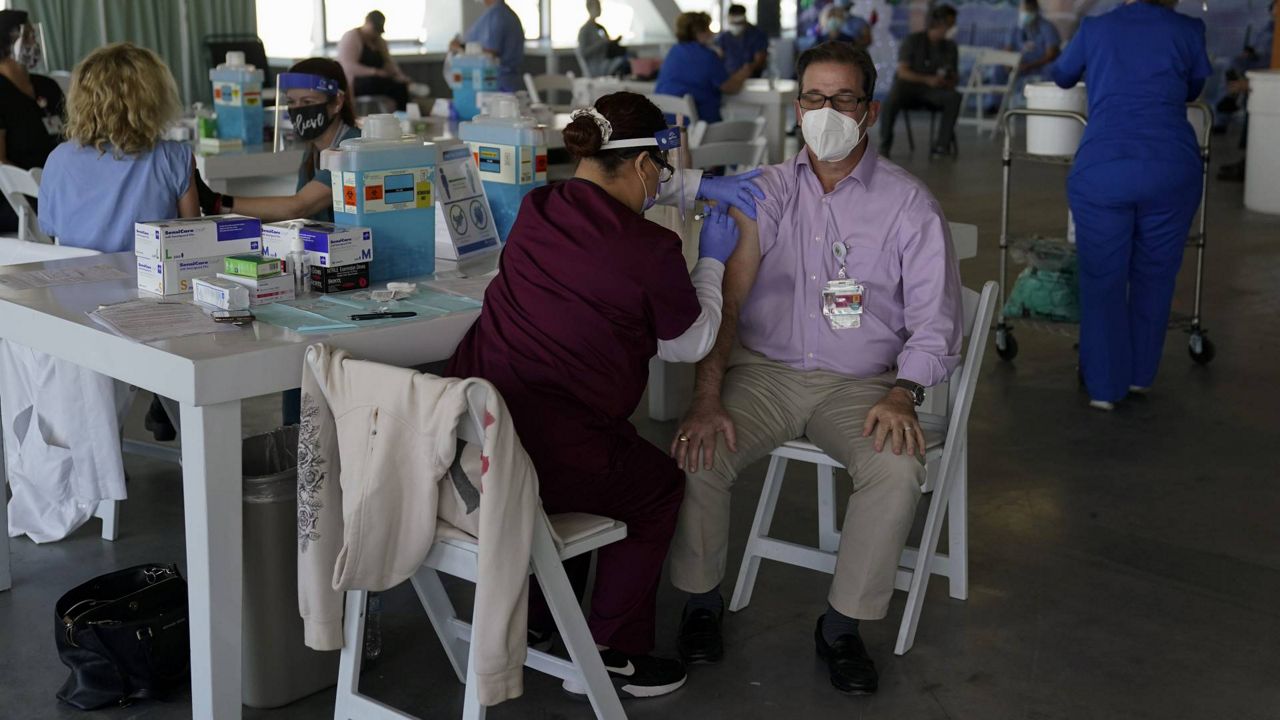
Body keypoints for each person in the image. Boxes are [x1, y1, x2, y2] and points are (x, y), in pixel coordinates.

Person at [669, 41, 962, 696]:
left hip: (861, 385)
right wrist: (707, 396)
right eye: (812, 98)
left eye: (842, 99)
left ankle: (843, 625)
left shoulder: (908, 206)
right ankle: (700, 602)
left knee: (894, 464)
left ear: (870, 110)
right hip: (765, 374)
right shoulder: (763, 191)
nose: (824, 111)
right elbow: (730, 303)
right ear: (795, 104)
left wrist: (904, 393)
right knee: (698, 446)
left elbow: (938, 321)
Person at [447, 91, 758, 699]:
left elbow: (617, 185)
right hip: (553, 451)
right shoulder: (651, 249)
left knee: (583, 466)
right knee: (656, 486)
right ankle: (614, 648)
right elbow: (687, 341)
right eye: (661, 169)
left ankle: (537, 623)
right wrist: (713, 265)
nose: (662, 180)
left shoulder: (539, 208)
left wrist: (699, 187)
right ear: (646, 165)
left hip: (476, 438)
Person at [1051, 0, 1211, 410]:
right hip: (1172, 167)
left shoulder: (1096, 29)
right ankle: (1141, 376)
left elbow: (1063, 76)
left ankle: (1105, 388)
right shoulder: (1188, 29)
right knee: (1155, 275)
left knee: (1102, 279)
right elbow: (1194, 87)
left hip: (1105, 168)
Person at [38, 43, 198, 251]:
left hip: (79, 279)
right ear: (154, 98)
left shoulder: (58, 159)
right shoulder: (174, 157)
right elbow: (193, 238)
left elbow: (52, 230)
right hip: (150, 281)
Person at [203, 58, 361, 225]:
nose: (299, 109)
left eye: (308, 102)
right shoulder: (313, 151)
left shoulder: (350, 151)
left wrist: (219, 203)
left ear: (337, 102)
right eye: (291, 102)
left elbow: (298, 207)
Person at [0, 9, 64, 234]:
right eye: (28, 36)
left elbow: (74, 135)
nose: (34, 42)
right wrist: (39, 185)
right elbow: (1, 161)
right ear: (8, 42)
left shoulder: (48, 87)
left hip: (61, 184)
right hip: (17, 194)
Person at [877, 5, 961, 158]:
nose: (952, 27)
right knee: (892, 99)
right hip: (909, 87)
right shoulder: (913, 41)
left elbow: (954, 75)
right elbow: (903, 72)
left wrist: (948, 81)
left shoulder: (950, 47)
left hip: (934, 91)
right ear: (938, 23)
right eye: (949, 23)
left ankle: (941, 145)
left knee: (954, 97)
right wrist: (928, 79)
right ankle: (885, 145)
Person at [656, 12, 757, 124]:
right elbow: (731, 88)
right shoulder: (707, 56)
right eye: (708, 28)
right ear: (699, 32)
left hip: (668, 129)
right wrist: (744, 73)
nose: (711, 33)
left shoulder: (674, 51)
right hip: (700, 128)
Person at [337, 10, 411, 110]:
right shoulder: (352, 37)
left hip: (379, 81)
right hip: (357, 83)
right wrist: (375, 72)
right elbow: (347, 66)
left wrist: (400, 76)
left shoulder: (379, 42)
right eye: (375, 29)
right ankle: (402, 114)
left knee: (400, 86)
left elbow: (389, 62)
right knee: (393, 86)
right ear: (367, 23)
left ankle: (402, 115)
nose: (376, 33)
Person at [450, 0, 525, 92]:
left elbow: (490, 53)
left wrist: (459, 47)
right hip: (507, 82)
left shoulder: (497, 15)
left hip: (499, 85)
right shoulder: (505, 13)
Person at [1005, 0, 1060, 81]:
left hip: (1041, 67)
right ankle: (996, 93)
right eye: (1023, 10)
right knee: (999, 69)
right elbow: (1007, 48)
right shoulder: (1015, 27)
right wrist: (1009, 63)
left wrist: (1030, 65)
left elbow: (1051, 54)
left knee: (1051, 69)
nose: (1024, 14)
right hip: (1019, 66)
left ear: (1035, 11)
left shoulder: (1047, 27)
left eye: (1028, 10)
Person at [578, 0, 629, 78]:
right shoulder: (585, 30)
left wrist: (613, 41)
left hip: (606, 60)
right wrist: (601, 43)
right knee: (624, 65)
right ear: (589, 8)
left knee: (628, 59)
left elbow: (607, 42)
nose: (600, 9)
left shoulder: (599, 27)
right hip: (597, 66)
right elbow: (583, 53)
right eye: (597, 7)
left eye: (600, 7)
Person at [718, 4, 770, 77]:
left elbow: (759, 60)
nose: (736, 26)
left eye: (739, 23)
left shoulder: (757, 35)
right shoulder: (724, 37)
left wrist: (747, 69)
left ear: (744, 19)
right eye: (733, 23)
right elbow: (720, 57)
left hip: (751, 78)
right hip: (729, 77)